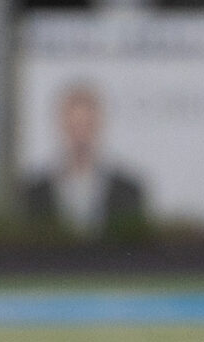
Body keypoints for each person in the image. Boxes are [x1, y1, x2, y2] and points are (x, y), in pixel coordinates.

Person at [21, 81, 147, 239]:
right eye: (74, 126)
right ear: (62, 126)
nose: (80, 136)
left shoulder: (128, 190)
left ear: (99, 126)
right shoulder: (34, 192)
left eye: (87, 126)